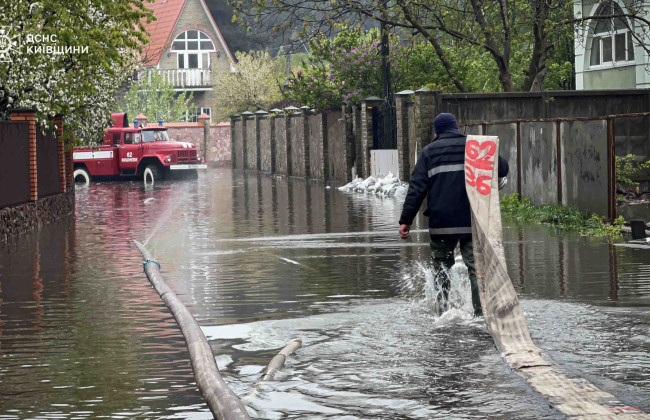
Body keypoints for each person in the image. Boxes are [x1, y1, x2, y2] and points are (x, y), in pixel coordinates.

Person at [398, 113, 509, 316]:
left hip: (442, 223)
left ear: (437, 132)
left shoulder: (428, 152)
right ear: (457, 128)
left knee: (441, 268)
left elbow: (416, 189)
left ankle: (442, 312)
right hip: (471, 221)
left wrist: (406, 220)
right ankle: (480, 315)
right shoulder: (474, 146)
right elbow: (503, 168)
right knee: (476, 269)